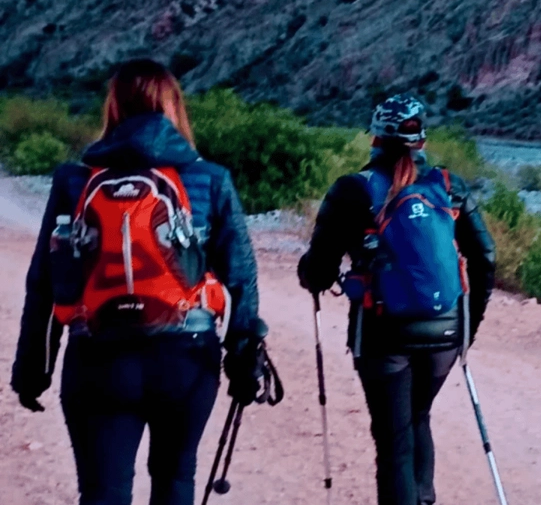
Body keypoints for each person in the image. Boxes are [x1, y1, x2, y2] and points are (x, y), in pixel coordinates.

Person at [10, 58, 267, 505]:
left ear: (113, 107)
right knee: (175, 479)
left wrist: (33, 369)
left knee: (103, 492)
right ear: (174, 107)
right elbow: (240, 276)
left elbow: (45, 281)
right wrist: (244, 361)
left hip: (98, 357)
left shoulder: (74, 181)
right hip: (186, 356)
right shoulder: (209, 179)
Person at [297, 94, 496, 505]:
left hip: (383, 333)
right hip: (444, 333)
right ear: (423, 140)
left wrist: (313, 273)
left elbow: (317, 271)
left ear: (374, 137)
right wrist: (467, 330)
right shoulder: (450, 187)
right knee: (418, 417)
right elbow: (486, 257)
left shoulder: (352, 190)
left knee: (394, 444)